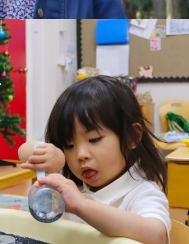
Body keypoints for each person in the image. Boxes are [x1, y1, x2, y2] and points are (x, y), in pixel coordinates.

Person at [18, 76, 170, 243]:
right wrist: (51, 154)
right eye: (69, 145)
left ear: (131, 138)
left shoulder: (142, 193)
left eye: (94, 139)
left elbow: (156, 235)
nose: (80, 154)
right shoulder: (70, 181)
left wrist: (82, 205)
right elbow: (23, 152)